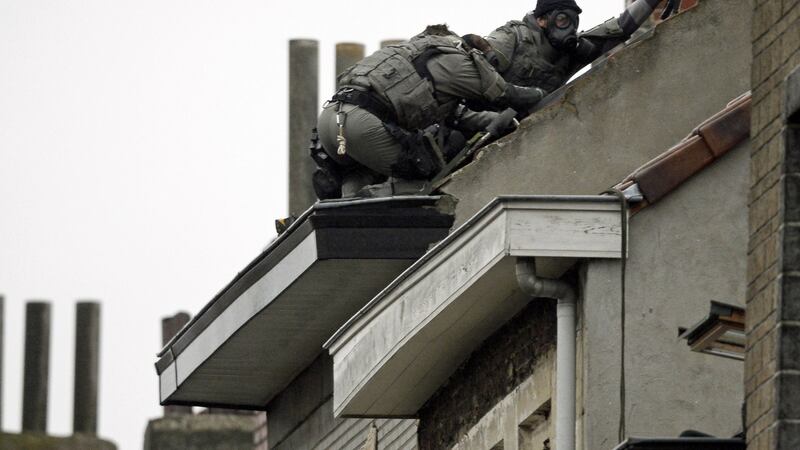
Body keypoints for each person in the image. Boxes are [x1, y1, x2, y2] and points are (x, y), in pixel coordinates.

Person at [311, 25, 548, 200]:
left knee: (360, 171)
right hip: (363, 126)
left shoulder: (405, 57)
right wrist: (543, 93)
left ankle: (341, 204)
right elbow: (505, 93)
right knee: (421, 178)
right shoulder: (453, 59)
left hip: (331, 122)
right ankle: (368, 207)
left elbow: (457, 114)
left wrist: (495, 120)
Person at [485, 0, 668, 93]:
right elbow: (474, 67)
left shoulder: (570, 54)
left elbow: (620, 27)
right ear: (541, 20)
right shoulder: (514, 35)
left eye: (574, 22)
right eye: (562, 20)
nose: (569, 29)